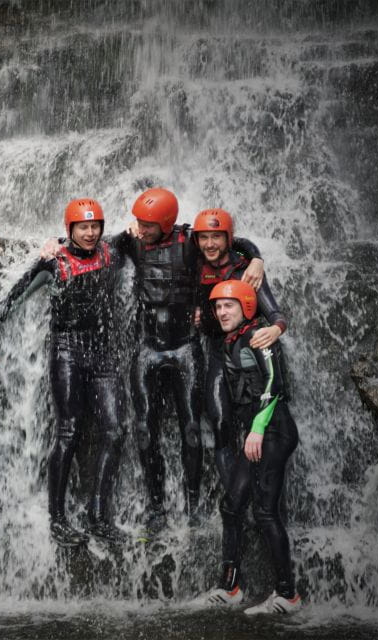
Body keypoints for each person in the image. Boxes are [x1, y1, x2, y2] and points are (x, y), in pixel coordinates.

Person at [0, 199, 128, 546]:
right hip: (67, 351)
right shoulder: (53, 262)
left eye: (95, 227)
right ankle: (57, 519)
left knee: (116, 430)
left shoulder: (113, 251)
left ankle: (98, 515)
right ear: (69, 230)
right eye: (83, 228)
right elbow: (13, 297)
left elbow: (147, 233)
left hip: (104, 351)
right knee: (69, 431)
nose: (90, 233)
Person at [126, 188, 264, 535]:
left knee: (191, 428)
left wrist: (257, 258)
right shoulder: (133, 240)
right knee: (144, 429)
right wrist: (54, 244)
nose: (141, 229)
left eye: (148, 224)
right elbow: (91, 246)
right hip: (147, 346)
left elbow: (235, 242)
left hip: (186, 345)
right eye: (139, 223)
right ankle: (156, 506)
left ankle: (192, 504)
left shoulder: (191, 240)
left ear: (166, 222)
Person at [193, 279, 301, 615]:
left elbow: (274, 383)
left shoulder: (260, 335)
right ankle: (231, 587)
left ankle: (288, 595)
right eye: (219, 307)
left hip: (274, 432)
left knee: (265, 512)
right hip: (257, 436)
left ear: (246, 307)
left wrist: (255, 429)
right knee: (231, 506)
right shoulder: (230, 340)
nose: (222, 312)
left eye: (229, 306)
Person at [192, 208, 288, 482]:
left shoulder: (246, 270)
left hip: (249, 358)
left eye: (216, 237)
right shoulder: (195, 261)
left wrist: (275, 328)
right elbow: (157, 235)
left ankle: (260, 498)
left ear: (228, 238)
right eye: (204, 238)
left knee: (256, 426)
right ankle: (235, 497)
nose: (209, 244)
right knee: (220, 425)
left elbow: (275, 314)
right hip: (216, 353)